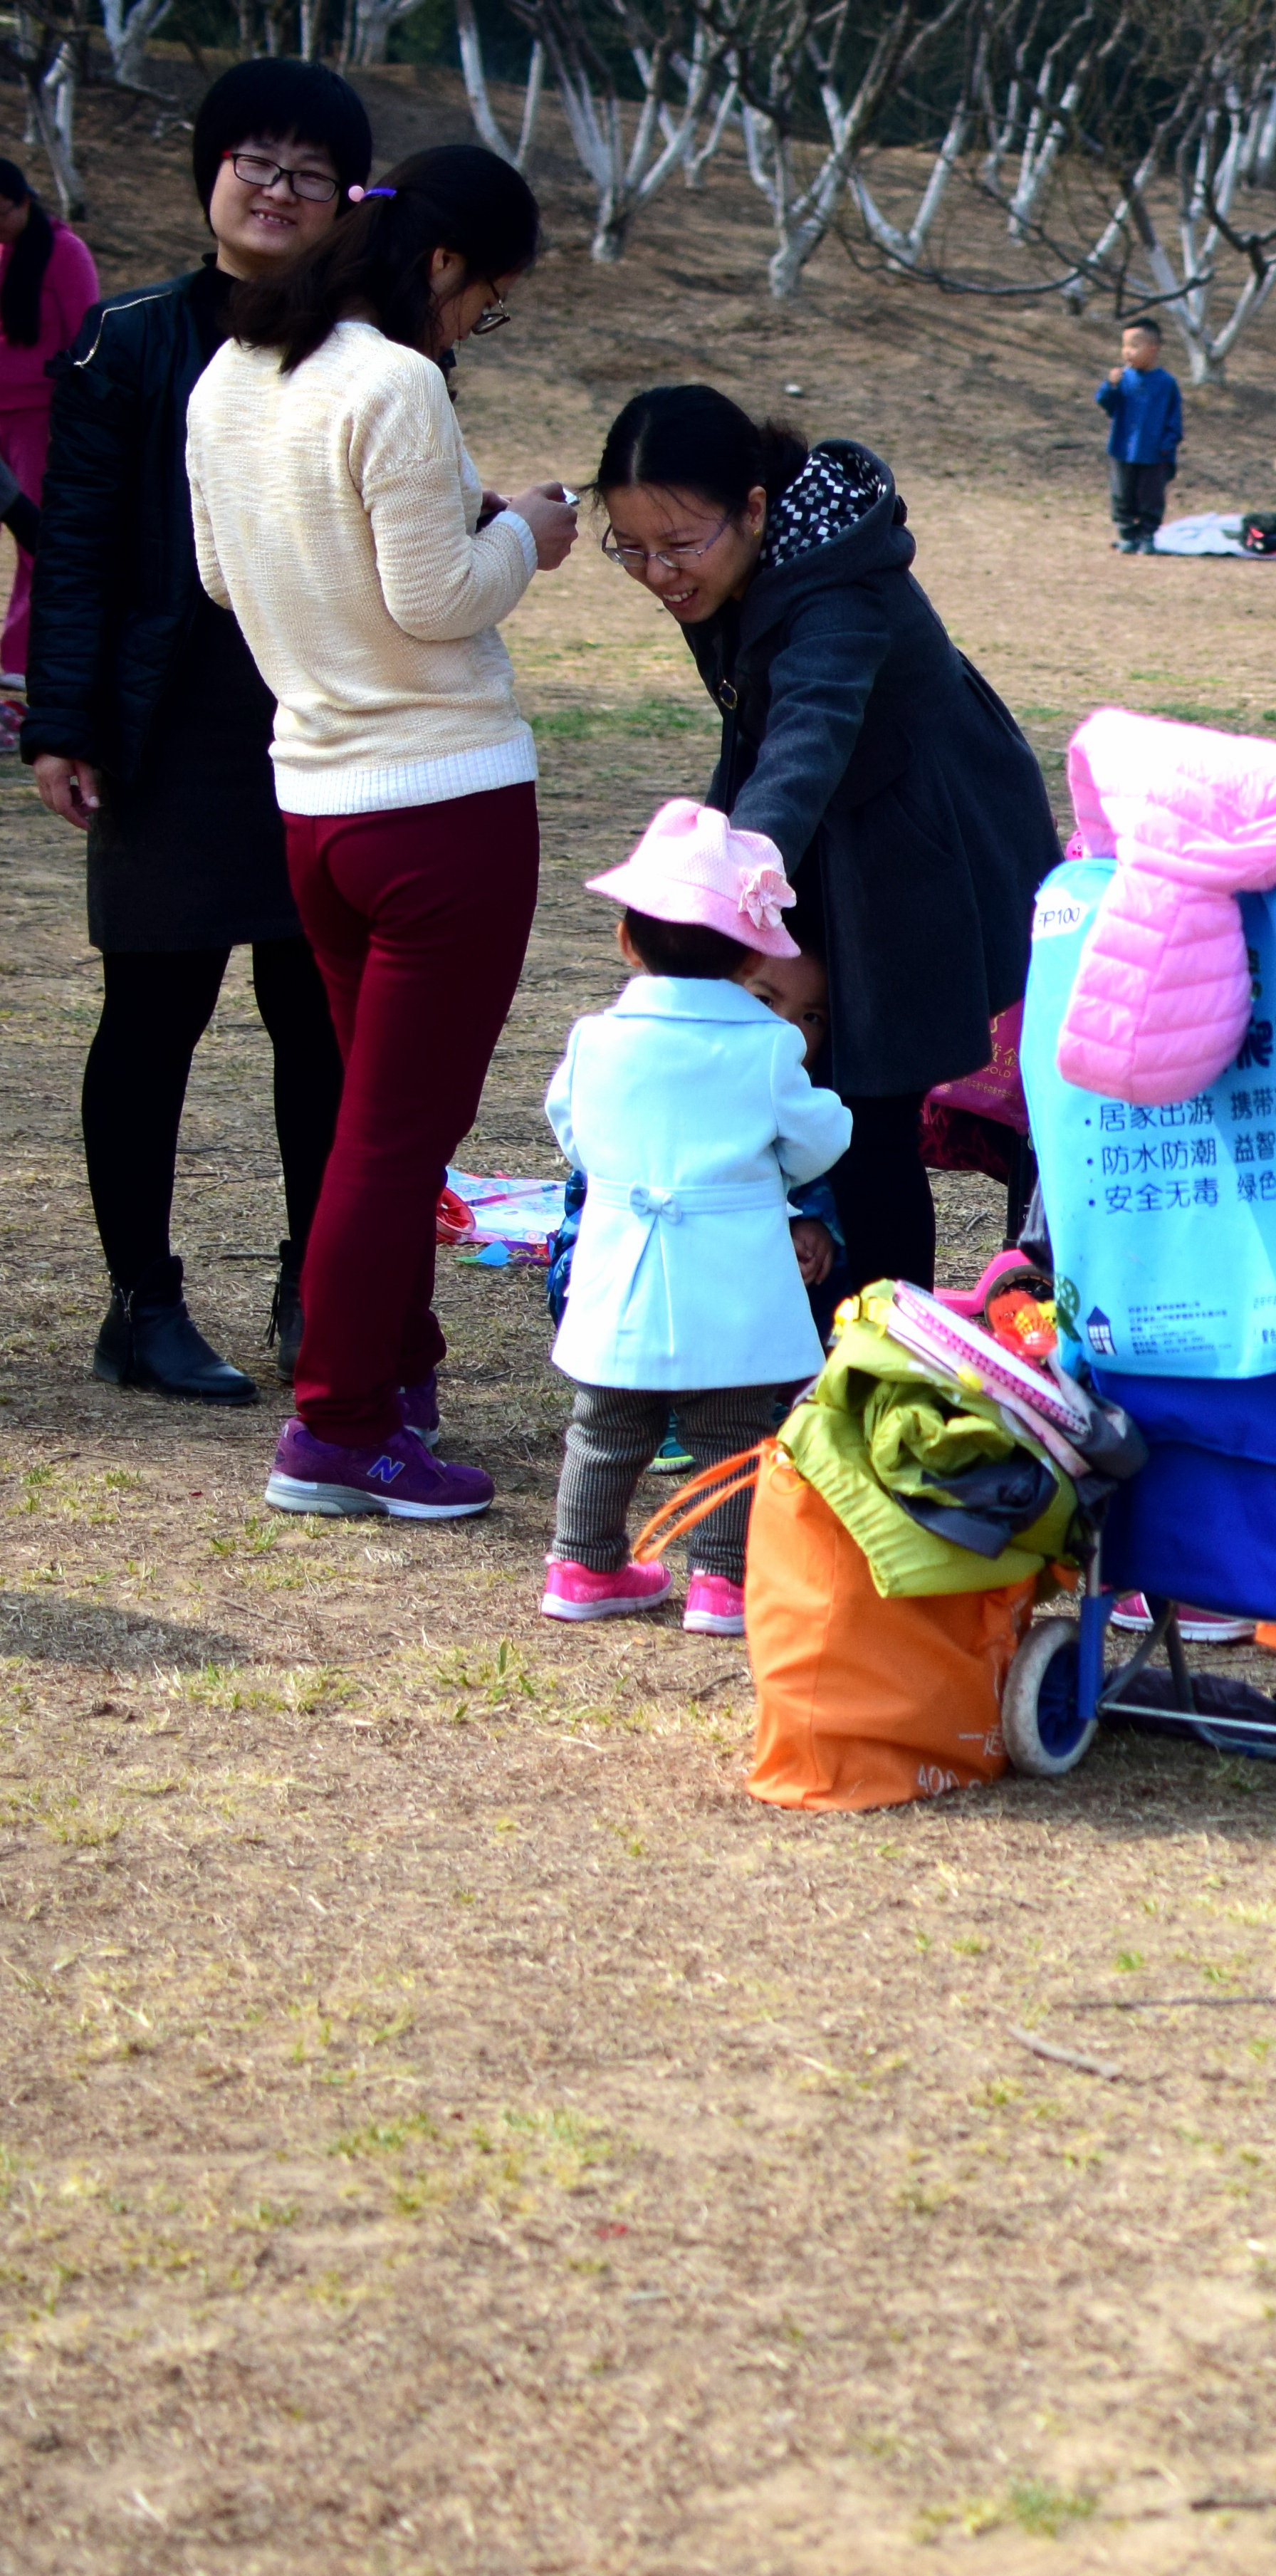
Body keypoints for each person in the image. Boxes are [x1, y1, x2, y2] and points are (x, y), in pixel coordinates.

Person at [189, 143, 572, 1522]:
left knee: (376, 1117)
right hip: (443, 803)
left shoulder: (228, 374)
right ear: (447, 264)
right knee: (399, 1134)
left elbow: (225, 579)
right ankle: (341, 1424)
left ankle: (394, 1370)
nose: (478, 325)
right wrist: (528, 531)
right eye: (493, 300)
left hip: (316, 803)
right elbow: (437, 599)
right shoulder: (398, 382)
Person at [31, 60, 370, 1402]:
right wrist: (63, 721)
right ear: (211, 176)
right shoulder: (129, 342)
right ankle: (141, 1304)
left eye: (308, 172)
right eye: (254, 162)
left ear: (345, 198)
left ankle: (314, 1288)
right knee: (153, 1012)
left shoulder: (372, 345)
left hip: (324, 720)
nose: (277, 191)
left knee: (319, 1017)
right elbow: (77, 551)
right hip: (166, 727)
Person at [592, 382, 1059, 1301]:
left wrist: (734, 873)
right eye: (633, 549)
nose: (659, 573)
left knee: (866, 1111)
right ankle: (805, 1334)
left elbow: (807, 733)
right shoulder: (738, 563)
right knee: (809, 1089)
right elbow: (758, 731)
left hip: (923, 845)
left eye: (681, 545)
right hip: (829, 828)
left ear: (755, 508)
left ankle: (887, 1355)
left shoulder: (842, 588)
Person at [538, 804, 853, 1637]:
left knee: (606, 1423)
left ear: (626, 942)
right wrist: (767, 1174)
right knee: (733, 1428)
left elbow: (570, 1127)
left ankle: (583, 1562)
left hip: (621, 1254)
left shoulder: (598, 1035)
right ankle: (722, 1583)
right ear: (754, 952)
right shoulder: (766, 1043)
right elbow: (816, 1136)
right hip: (734, 1265)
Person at [0, 155, 106, 696]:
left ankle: (19, 655)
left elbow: (84, 335)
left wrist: (76, 407)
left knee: (35, 537)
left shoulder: (64, 252)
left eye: (1, 215)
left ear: (22, 204)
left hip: (37, 413)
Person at [1097, 318, 1178, 553]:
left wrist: (1167, 446)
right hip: (1123, 448)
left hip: (1153, 452)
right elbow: (1107, 404)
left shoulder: (1166, 383)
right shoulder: (1123, 378)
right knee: (1122, 494)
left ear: (1152, 348)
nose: (1127, 352)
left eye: (1133, 346)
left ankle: (1147, 537)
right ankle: (1127, 535)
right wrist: (1109, 387)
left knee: (1150, 497)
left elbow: (1174, 419)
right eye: (1124, 346)